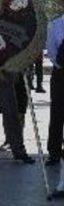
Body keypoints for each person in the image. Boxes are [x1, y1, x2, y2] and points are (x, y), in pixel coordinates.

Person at [46, 9, 64, 166]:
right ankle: (54, 152)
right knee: (57, 113)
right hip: (61, 75)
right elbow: (51, 52)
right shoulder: (55, 25)